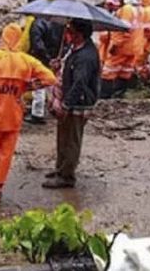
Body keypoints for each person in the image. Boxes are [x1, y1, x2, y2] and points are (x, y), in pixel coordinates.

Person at [0, 23, 57, 204]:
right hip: (13, 115)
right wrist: (27, 87)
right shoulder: (27, 61)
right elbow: (50, 78)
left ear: (3, 38)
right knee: (5, 155)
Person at [44, 19, 100, 189]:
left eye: (70, 31)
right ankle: (61, 168)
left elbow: (80, 82)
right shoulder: (75, 49)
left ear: (79, 34)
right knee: (63, 137)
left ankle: (67, 176)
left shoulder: (86, 56)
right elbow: (69, 71)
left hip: (77, 103)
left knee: (71, 140)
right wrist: (58, 65)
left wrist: (66, 104)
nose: (67, 34)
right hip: (69, 99)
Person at [101, 0, 143, 99]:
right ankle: (120, 94)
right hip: (134, 47)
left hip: (122, 47)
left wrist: (115, 45)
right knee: (125, 71)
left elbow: (123, 30)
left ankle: (104, 95)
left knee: (108, 70)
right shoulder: (139, 9)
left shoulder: (126, 10)